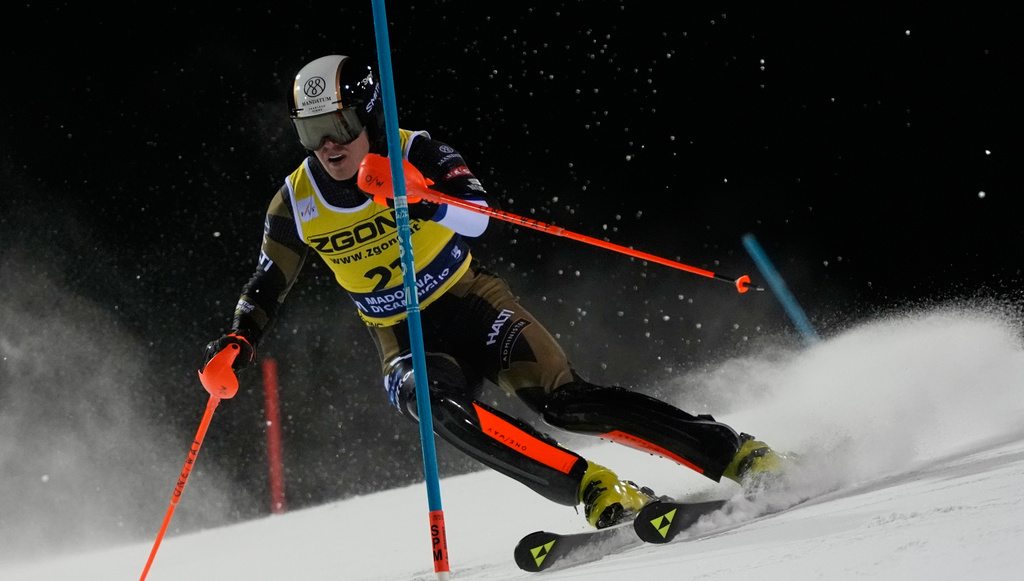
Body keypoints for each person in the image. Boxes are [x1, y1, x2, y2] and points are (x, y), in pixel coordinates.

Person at [204, 54, 792, 529]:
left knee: (565, 403)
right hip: (404, 336)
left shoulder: (417, 151)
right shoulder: (297, 202)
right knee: (436, 407)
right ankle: (593, 488)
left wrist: (422, 196)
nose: (329, 146)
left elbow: (480, 216)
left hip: (472, 303)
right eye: (312, 132)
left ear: (370, 115)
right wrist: (238, 340)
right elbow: (268, 280)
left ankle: (735, 452)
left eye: (341, 126)